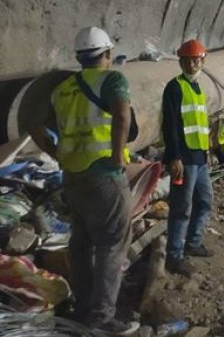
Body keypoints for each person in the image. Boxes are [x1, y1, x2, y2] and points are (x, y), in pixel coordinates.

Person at [30, 27, 139, 335]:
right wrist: (118, 155)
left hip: (73, 174)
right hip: (104, 173)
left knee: (81, 242)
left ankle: (82, 306)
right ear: (107, 53)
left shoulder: (62, 88)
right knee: (112, 243)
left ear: (80, 57)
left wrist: (56, 153)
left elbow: (34, 124)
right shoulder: (113, 79)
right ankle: (102, 317)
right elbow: (122, 116)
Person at [161, 39, 213, 277]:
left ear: (203, 61)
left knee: (204, 201)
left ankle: (192, 243)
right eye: (188, 60)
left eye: (197, 60)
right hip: (184, 158)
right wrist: (174, 157)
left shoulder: (197, 87)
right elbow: (170, 125)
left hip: (199, 158)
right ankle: (174, 256)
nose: (193, 64)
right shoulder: (175, 87)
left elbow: (201, 124)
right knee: (181, 208)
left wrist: (207, 151)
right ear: (181, 62)